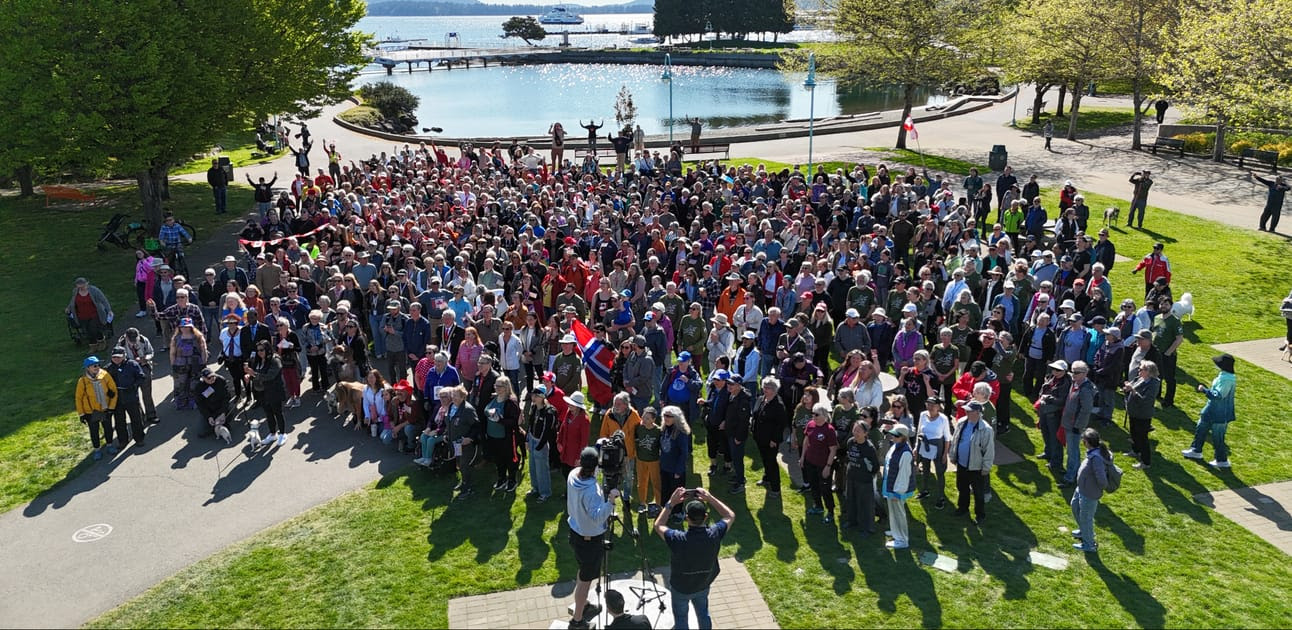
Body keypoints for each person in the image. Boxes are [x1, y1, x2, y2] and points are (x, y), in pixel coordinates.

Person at [653, 485, 735, 630]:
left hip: (681, 588)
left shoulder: (677, 538)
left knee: (681, 619)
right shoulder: (715, 534)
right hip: (703, 584)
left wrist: (670, 503)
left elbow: (658, 524)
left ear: (686, 518)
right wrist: (709, 498)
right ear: (706, 517)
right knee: (703, 614)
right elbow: (730, 515)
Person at [567, 446, 621, 630]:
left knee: (583, 573)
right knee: (585, 579)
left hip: (576, 532)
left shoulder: (572, 475)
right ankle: (577, 620)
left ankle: (583, 604)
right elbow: (598, 516)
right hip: (589, 538)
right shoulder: (591, 491)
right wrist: (611, 501)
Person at [1182, 354, 1237, 468]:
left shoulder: (1227, 379)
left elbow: (1218, 395)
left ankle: (1222, 460)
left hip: (1220, 413)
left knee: (1218, 438)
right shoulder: (1224, 376)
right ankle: (1196, 450)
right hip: (1211, 409)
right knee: (1200, 428)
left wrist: (1204, 390)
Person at [951, 401, 995, 525]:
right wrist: (953, 455)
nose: (966, 412)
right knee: (962, 487)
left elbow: (989, 450)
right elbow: (955, 439)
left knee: (978, 492)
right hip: (962, 464)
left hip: (976, 467)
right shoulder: (962, 422)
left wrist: (986, 467)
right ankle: (963, 508)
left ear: (977, 412)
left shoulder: (986, 430)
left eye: (969, 410)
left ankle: (980, 515)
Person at [1071, 428, 1111, 552]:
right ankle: (1084, 531)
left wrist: (1092, 486)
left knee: (1086, 517)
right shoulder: (1094, 452)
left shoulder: (1097, 458)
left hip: (1089, 493)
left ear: (1087, 442)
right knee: (1075, 506)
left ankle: (1089, 544)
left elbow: (1102, 481)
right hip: (1082, 489)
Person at [841, 415, 880, 534]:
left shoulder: (869, 448)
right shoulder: (850, 442)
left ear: (865, 433)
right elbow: (848, 457)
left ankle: (868, 528)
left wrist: (867, 473)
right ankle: (852, 521)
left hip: (864, 480)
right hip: (851, 476)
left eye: (858, 431)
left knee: (865, 505)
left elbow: (875, 467)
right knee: (851, 500)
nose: (855, 433)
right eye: (854, 430)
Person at [75, 356, 119, 461]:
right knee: (94, 431)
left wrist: (111, 408)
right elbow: (78, 398)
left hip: (105, 409)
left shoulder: (105, 375)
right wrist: (81, 414)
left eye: (98, 365)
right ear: (87, 368)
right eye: (94, 365)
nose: (97, 367)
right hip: (91, 412)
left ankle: (109, 445)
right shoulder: (83, 381)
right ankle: (97, 449)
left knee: (108, 428)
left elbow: (114, 391)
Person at [751, 377, 789, 497]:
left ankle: (775, 488)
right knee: (764, 459)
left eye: (768, 388)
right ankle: (766, 478)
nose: (765, 389)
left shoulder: (778, 405)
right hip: (760, 437)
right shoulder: (762, 399)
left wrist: (774, 439)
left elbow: (781, 424)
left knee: (771, 462)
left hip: (771, 440)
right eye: (764, 387)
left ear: (774, 390)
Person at [801, 402, 838, 523]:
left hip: (823, 464)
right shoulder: (811, 425)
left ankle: (830, 511)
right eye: (812, 414)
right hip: (810, 461)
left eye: (816, 414)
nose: (813, 417)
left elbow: (833, 449)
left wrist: (828, 466)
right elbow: (806, 441)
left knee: (825, 489)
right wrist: (802, 458)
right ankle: (818, 506)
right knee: (814, 486)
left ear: (824, 415)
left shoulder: (829, 430)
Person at [1060, 361, 1096, 486]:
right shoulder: (1075, 383)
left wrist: (1078, 426)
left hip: (1074, 425)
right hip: (1069, 422)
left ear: (1085, 373)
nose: (1073, 374)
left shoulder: (1085, 389)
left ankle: (1070, 477)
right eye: (1072, 371)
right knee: (1072, 450)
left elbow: (1086, 410)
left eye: (1076, 372)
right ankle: (1075, 472)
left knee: (1072, 451)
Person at [881, 423, 916, 550]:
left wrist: (897, 492)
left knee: (899, 512)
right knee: (893, 511)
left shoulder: (905, 453)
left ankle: (902, 539)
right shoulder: (895, 446)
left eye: (896, 435)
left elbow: (904, 475)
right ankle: (895, 530)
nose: (893, 437)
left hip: (897, 489)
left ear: (903, 437)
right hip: (891, 484)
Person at [104, 346, 147, 449]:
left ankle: (139, 438)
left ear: (124, 356)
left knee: (136, 419)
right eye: (114, 357)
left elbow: (141, 377)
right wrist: (108, 391)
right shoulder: (108, 368)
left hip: (131, 397)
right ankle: (123, 440)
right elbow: (103, 382)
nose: (116, 359)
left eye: (119, 357)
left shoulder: (132, 365)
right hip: (117, 400)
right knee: (119, 421)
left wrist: (134, 386)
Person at [246, 339, 287, 446]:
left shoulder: (275, 360)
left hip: (274, 390)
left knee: (277, 412)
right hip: (261, 391)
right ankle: (272, 433)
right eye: (258, 350)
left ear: (267, 349)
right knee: (268, 413)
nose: (259, 352)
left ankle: (282, 433)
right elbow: (255, 374)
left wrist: (253, 374)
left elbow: (270, 376)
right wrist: (249, 376)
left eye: (261, 350)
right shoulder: (258, 360)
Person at [1122, 360, 1161, 469]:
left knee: (1142, 438)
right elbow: (1131, 387)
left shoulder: (1153, 385)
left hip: (1143, 415)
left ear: (1148, 371)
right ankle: (1135, 450)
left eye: (1141, 369)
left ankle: (1146, 462)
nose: (1138, 370)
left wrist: (1132, 390)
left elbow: (1145, 401)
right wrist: (1127, 388)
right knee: (1134, 433)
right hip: (1133, 412)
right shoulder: (1140, 378)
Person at [915, 396, 951, 510]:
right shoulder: (923, 415)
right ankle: (925, 490)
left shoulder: (943, 419)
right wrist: (916, 446)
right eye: (928, 404)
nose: (930, 407)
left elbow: (947, 437)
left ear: (938, 407)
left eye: (933, 405)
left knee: (940, 472)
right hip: (924, 445)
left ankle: (941, 497)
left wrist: (945, 453)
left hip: (938, 446)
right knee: (925, 469)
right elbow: (919, 431)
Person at [524, 383, 559, 501]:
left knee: (541, 469)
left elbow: (547, 432)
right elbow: (530, 423)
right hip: (533, 439)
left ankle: (545, 492)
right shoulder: (534, 408)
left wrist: (539, 446)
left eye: (536, 395)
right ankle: (535, 488)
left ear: (543, 397)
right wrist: (527, 440)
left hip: (541, 443)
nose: (533, 398)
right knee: (532, 467)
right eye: (533, 395)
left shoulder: (549, 412)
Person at [659, 405, 693, 519]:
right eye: (665, 415)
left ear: (676, 417)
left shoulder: (681, 432)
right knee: (665, 491)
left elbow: (684, 453)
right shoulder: (664, 429)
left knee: (677, 493)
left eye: (669, 416)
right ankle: (666, 512)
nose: (666, 418)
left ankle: (678, 513)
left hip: (676, 469)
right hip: (665, 467)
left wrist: (678, 470)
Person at [67, 277, 114, 351]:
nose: (81, 286)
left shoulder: (94, 290)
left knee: (93, 329)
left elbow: (103, 300)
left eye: (82, 284)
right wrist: (69, 308)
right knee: (87, 331)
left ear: (87, 283)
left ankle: (101, 341)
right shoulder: (75, 291)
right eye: (79, 285)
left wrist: (109, 310)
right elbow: (73, 301)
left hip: (95, 314)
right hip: (82, 315)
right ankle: (93, 345)